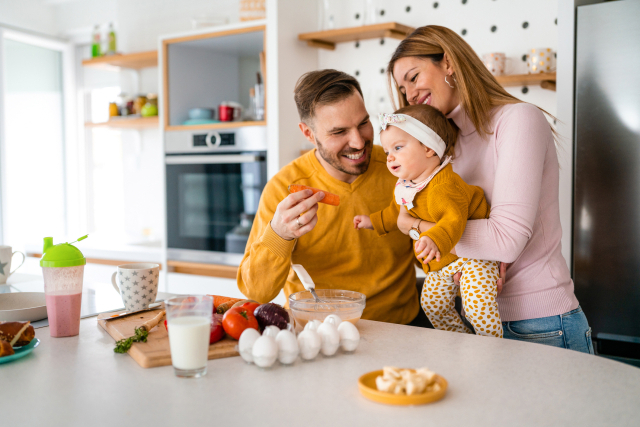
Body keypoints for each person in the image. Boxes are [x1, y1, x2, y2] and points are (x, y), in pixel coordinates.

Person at [385, 25, 593, 353]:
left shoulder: (518, 120)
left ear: (449, 63)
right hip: (478, 319)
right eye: (401, 87)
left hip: (542, 324)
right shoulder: (443, 151)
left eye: (413, 77)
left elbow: (504, 241)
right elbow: (457, 245)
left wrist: (412, 226)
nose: (409, 94)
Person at [237, 69, 422, 325]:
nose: (358, 142)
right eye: (339, 132)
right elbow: (257, 292)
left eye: (363, 124)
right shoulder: (284, 188)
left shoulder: (401, 171)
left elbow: (431, 252)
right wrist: (280, 234)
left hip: (401, 330)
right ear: (308, 134)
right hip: (315, 334)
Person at [353, 105, 502, 338]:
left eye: (398, 147)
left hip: (474, 257)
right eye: (388, 150)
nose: (389, 156)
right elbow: (396, 213)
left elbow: (453, 220)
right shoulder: (408, 185)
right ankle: (459, 340)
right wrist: (372, 221)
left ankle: (493, 345)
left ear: (429, 149)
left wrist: (432, 238)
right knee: (433, 304)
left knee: (477, 307)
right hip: (443, 260)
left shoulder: (444, 185)